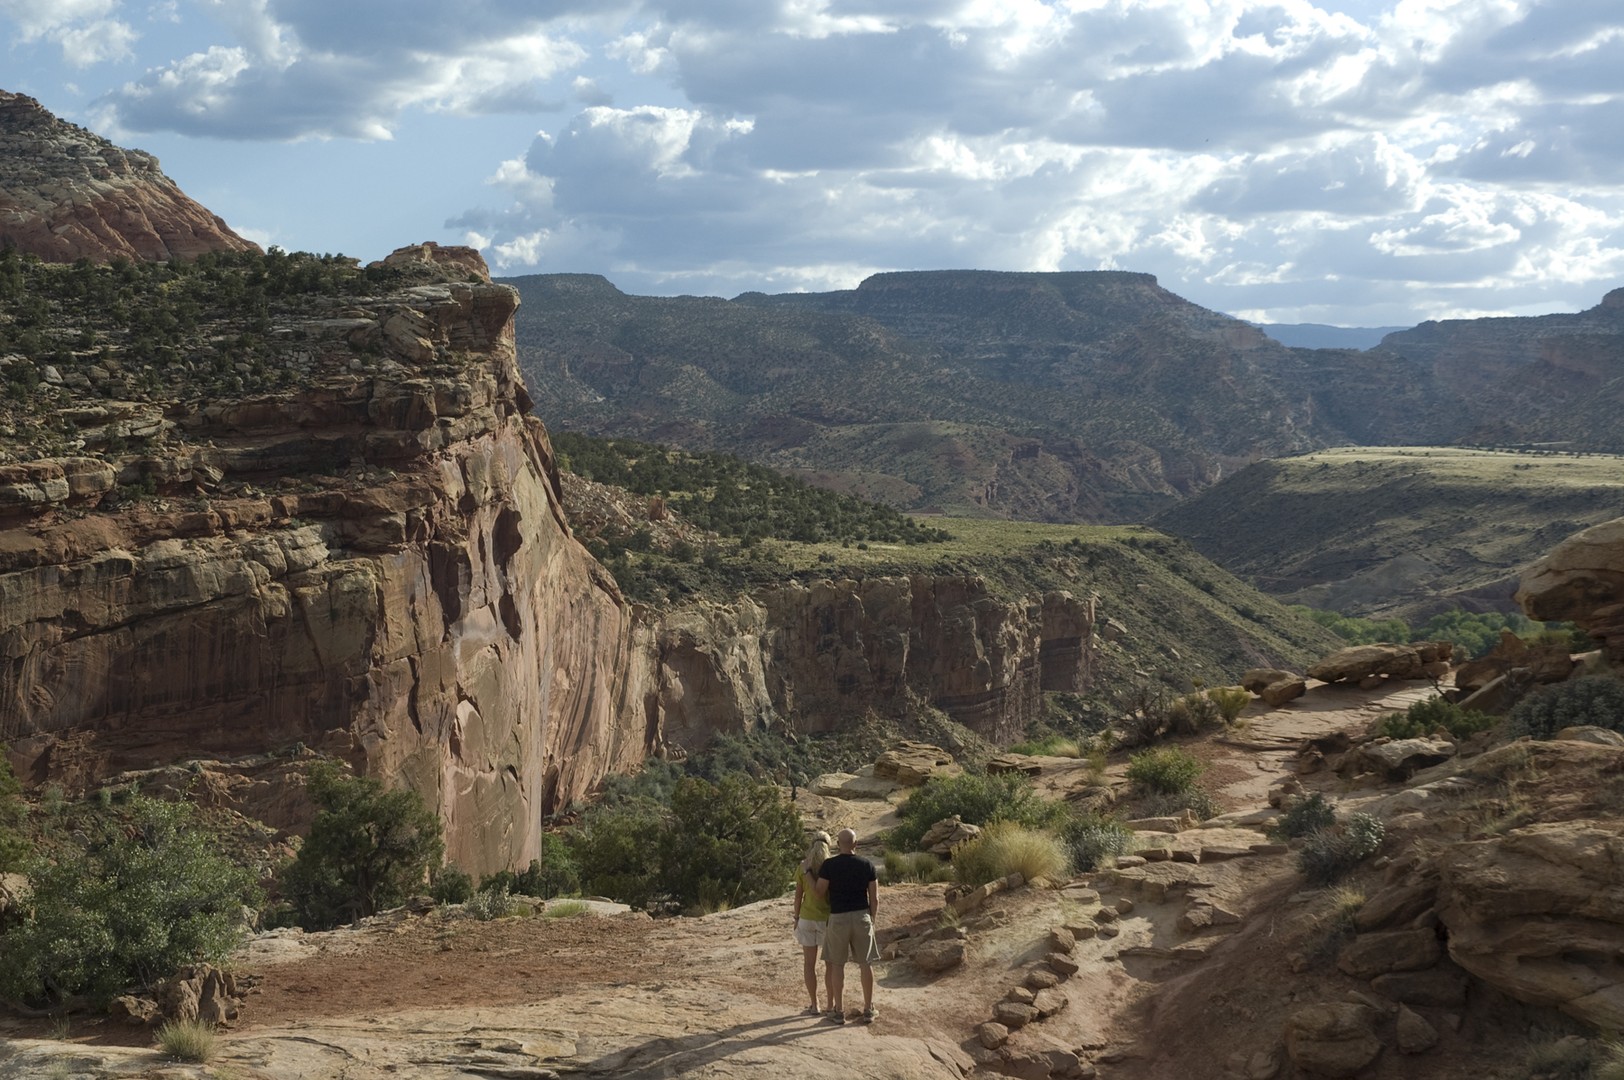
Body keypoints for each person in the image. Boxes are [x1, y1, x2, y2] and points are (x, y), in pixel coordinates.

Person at [815, 827, 879, 1024]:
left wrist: (808, 874)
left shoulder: (829, 865)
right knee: (865, 963)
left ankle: (839, 1010)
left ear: (837, 845)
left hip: (838, 917)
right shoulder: (867, 864)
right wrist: (872, 919)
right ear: (856, 844)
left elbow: (819, 892)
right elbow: (874, 898)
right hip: (861, 916)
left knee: (837, 964)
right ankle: (868, 1008)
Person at [791, 832, 832, 1015]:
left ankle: (815, 1004)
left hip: (807, 918)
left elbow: (798, 896)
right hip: (827, 919)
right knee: (831, 964)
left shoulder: (802, 867)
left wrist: (796, 917)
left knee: (809, 964)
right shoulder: (831, 866)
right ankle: (831, 1004)